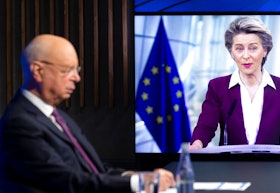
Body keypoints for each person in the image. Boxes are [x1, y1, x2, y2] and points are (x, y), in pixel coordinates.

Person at [0, 34, 175, 192]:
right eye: (67, 70)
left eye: (77, 70)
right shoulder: (19, 123)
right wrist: (139, 183)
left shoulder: (59, 117)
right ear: (38, 71)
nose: (77, 78)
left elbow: (95, 169)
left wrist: (137, 177)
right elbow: (66, 181)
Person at [190, 16, 280, 151]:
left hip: (268, 166)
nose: (245, 56)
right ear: (231, 52)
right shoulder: (217, 87)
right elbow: (206, 125)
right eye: (239, 49)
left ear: (265, 50)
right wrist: (197, 144)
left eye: (253, 48)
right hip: (230, 166)